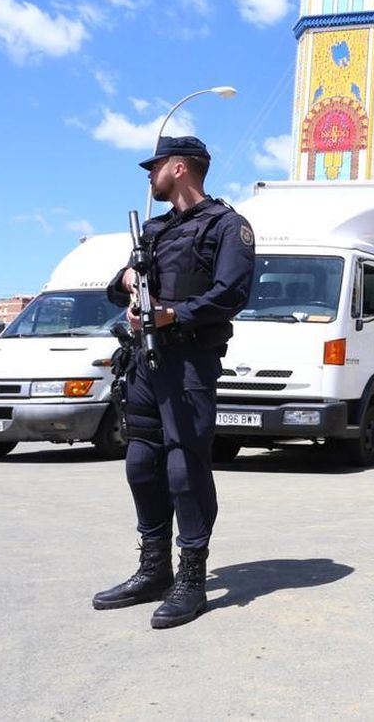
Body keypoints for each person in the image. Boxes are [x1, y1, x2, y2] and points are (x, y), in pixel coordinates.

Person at [93, 135, 254, 630]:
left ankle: (191, 577)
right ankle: (154, 569)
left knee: (185, 466)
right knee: (142, 463)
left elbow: (232, 294)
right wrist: (123, 279)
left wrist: (172, 315)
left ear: (180, 168)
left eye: (156, 165)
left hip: (189, 360)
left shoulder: (228, 226)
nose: (149, 174)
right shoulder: (155, 231)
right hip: (143, 361)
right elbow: (119, 291)